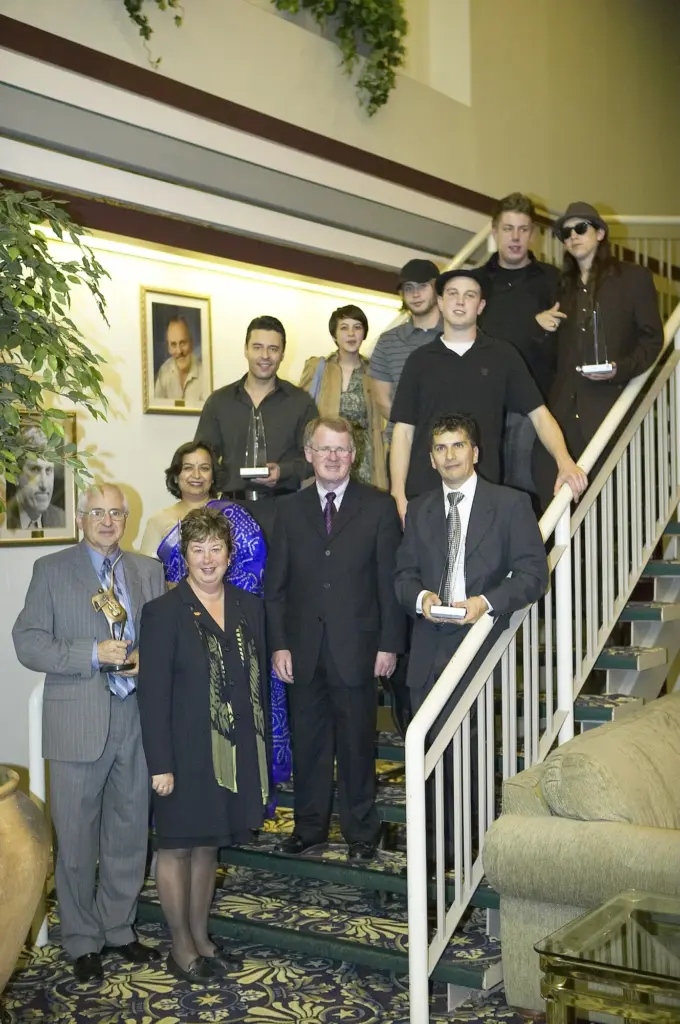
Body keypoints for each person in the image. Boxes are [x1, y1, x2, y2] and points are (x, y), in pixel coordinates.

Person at [12, 484, 165, 984]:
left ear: (126, 517)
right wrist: (90, 653)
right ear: (80, 518)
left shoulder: (149, 571)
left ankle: (119, 929)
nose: (107, 520)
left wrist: (148, 659)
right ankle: (81, 939)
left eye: (116, 512)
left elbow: (164, 641)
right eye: (96, 512)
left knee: (128, 831)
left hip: (136, 718)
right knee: (75, 838)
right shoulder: (51, 571)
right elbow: (28, 642)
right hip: (78, 717)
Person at [138, 507, 269, 985]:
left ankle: (202, 937)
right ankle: (179, 945)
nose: (208, 557)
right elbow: (151, 695)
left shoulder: (248, 606)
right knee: (176, 849)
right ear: (184, 557)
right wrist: (160, 763)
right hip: (181, 752)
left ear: (230, 555)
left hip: (229, 757)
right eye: (198, 549)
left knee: (208, 846)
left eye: (216, 547)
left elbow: (253, 686)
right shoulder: (162, 612)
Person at [265, 417, 405, 860]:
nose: (332, 457)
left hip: (359, 650)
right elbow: (276, 589)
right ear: (309, 453)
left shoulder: (379, 507)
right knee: (309, 743)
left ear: (353, 455)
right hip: (302, 651)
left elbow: (390, 583)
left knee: (357, 745)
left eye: (341, 450)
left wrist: (389, 644)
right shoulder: (287, 510)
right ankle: (309, 828)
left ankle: (361, 832)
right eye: (324, 449)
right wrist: (279, 644)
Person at [139, 440, 291, 785]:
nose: (196, 475)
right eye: (188, 467)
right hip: (185, 634)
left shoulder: (234, 515)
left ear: (213, 475)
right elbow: (149, 581)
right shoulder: (159, 521)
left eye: (204, 467)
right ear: (176, 476)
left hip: (234, 631)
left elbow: (256, 572)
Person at [389, 269, 588, 525]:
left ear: (481, 306)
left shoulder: (503, 356)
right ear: (440, 302)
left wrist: (565, 461)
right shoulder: (418, 361)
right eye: (452, 294)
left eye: (469, 295)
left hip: (483, 494)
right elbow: (403, 430)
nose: (460, 301)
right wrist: (398, 493)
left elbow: (539, 415)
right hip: (425, 495)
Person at [394, 414, 549, 704]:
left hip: (483, 643)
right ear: (431, 459)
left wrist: (484, 603)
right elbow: (403, 576)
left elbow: (534, 575)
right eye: (441, 448)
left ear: (475, 453)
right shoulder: (418, 510)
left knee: (476, 748)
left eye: (458, 445)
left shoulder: (511, 504)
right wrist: (422, 597)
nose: (450, 456)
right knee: (427, 747)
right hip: (428, 656)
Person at [533, 201, 664, 508]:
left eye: (581, 228)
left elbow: (652, 340)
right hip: (563, 411)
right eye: (566, 233)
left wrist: (620, 368)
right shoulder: (560, 287)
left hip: (609, 405)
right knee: (550, 489)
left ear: (600, 233)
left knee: (612, 500)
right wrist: (539, 327)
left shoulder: (633, 279)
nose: (573, 237)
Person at [195, 315, 317, 538]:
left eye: (273, 349)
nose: (265, 356)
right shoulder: (219, 402)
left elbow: (315, 457)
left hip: (285, 512)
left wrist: (283, 471)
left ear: (282, 353)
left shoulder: (301, 402)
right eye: (258, 347)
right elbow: (203, 458)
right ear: (246, 349)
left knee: (281, 574)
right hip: (229, 513)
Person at [476, 193, 560, 492]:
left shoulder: (553, 280)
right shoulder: (475, 283)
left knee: (526, 490)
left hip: (534, 407)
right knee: (483, 491)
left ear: (532, 234)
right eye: (508, 228)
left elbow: (562, 342)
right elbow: (476, 338)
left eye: (523, 229)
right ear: (494, 231)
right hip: (483, 404)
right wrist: (532, 324)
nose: (515, 237)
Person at [299, 305, 386, 488]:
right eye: (344, 328)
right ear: (334, 336)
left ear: (364, 334)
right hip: (328, 455)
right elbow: (300, 416)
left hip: (365, 460)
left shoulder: (375, 372)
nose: (351, 333)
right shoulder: (318, 368)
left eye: (357, 327)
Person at [368, 258, 443, 459]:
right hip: (404, 450)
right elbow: (383, 400)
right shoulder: (387, 342)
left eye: (422, 286)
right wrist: (414, 428)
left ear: (438, 287)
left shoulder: (460, 334)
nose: (415, 294)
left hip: (451, 449)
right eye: (408, 288)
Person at [5, 426, 65, 530]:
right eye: (35, 470)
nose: (44, 485)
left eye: (48, 470)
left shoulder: (61, 519)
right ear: (15, 475)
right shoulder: (3, 520)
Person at [154, 316, 204, 404]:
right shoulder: (164, 371)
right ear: (168, 348)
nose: (179, 351)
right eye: (173, 344)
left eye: (183, 343)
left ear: (191, 343)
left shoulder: (204, 373)